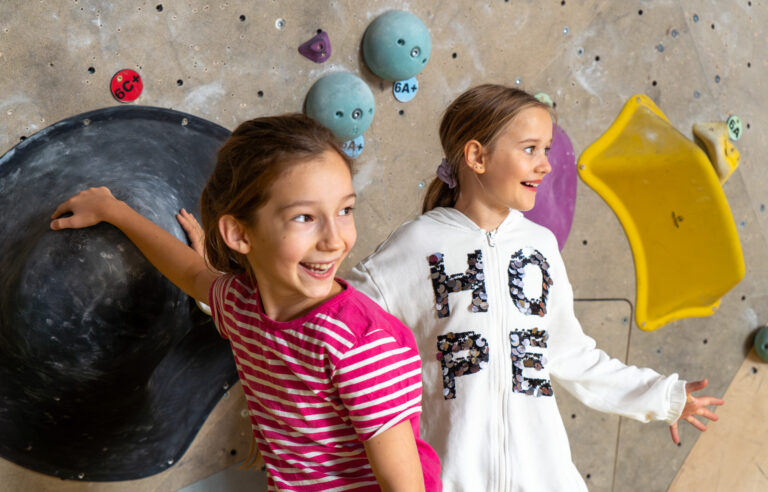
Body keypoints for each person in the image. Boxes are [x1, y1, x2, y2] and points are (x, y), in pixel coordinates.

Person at [342, 84, 724, 490]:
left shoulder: (539, 246)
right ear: (477, 156)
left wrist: (661, 397)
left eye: (546, 150)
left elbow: (573, 355)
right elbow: (335, 322)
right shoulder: (417, 245)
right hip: (454, 480)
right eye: (530, 149)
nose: (545, 166)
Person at [50, 114, 441, 491]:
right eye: (305, 217)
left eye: (345, 210)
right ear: (239, 234)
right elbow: (190, 273)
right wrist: (114, 211)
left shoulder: (362, 346)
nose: (334, 240)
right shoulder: (242, 306)